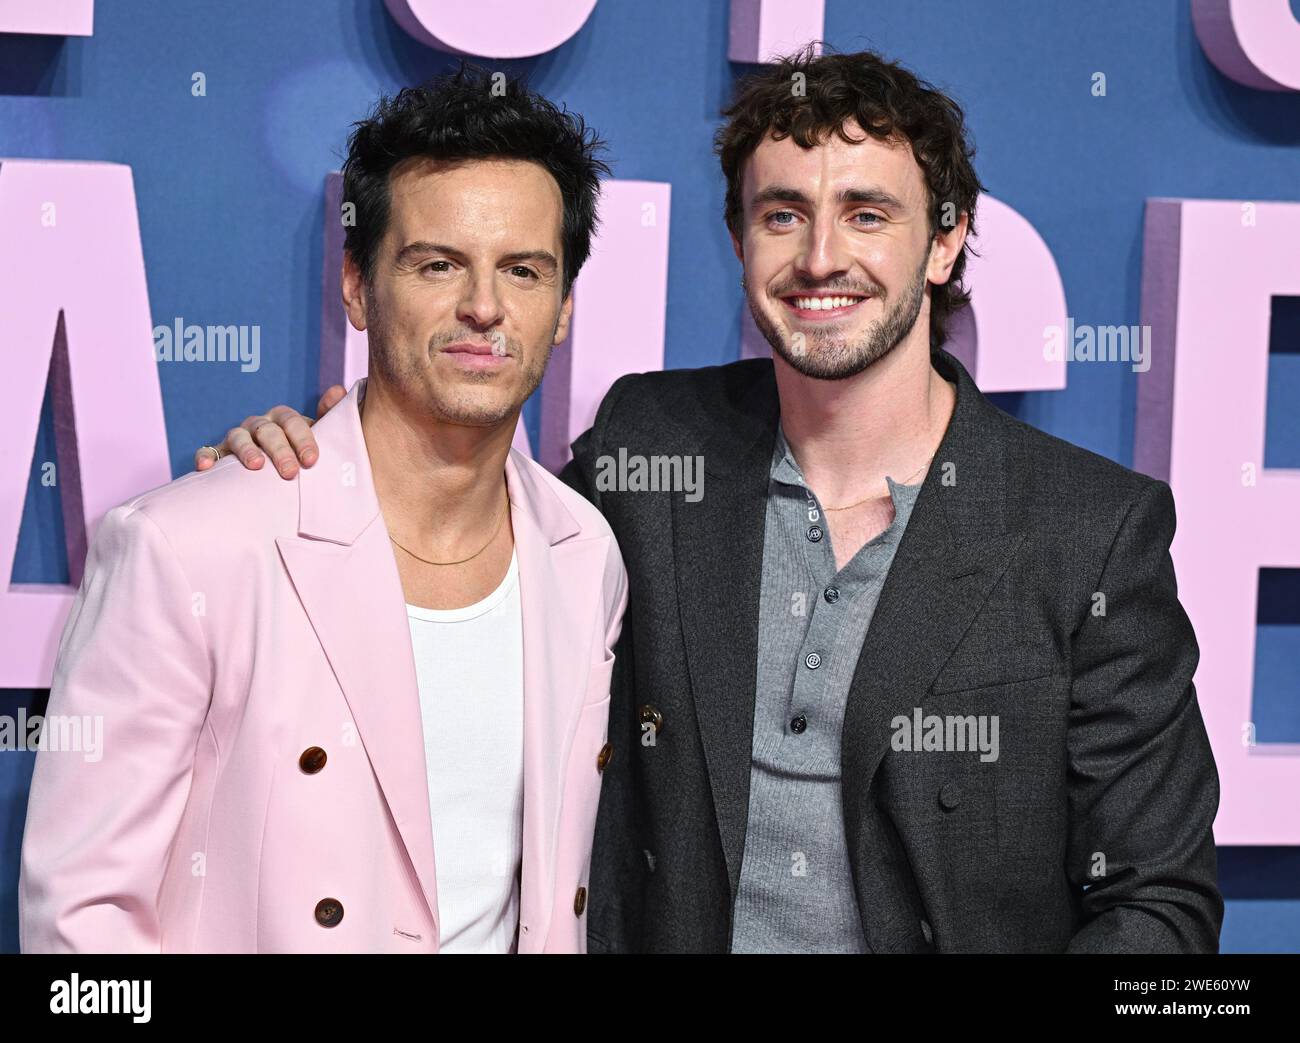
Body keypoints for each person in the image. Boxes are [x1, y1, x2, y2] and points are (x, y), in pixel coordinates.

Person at [199, 47, 1222, 953]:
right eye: (783, 214)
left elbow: (1160, 904)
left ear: (945, 244)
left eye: (867, 212)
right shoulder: (652, 446)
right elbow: (465, 520)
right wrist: (309, 461)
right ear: (740, 241)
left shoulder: (1086, 529)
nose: (821, 257)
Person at [20, 65, 626, 953]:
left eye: (524, 270)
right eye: (437, 264)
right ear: (355, 283)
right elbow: (78, 922)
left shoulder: (583, 551)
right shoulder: (190, 549)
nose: (484, 307)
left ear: (565, 306)